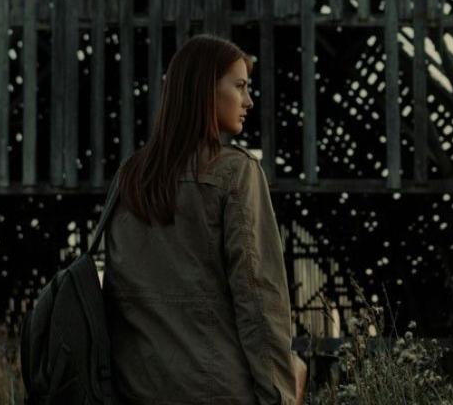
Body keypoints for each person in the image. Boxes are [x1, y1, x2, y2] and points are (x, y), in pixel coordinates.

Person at [104, 34, 308, 404]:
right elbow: (259, 299)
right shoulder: (235, 173)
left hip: (136, 391)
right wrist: (279, 395)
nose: (248, 101)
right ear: (205, 91)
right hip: (217, 391)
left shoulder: (129, 177)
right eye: (240, 86)